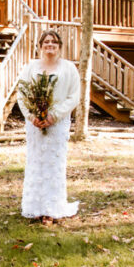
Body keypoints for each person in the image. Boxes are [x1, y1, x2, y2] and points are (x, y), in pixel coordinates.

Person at [17, 29, 81, 224]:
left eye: (54, 42)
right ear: (40, 46)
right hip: (35, 125)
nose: (50, 45)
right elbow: (22, 94)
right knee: (36, 163)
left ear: (59, 46)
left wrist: (54, 116)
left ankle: (52, 209)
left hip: (57, 123)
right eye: (46, 42)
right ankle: (35, 207)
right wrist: (31, 116)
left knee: (54, 164)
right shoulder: (31, 67)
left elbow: (73, 97)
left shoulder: (68, 68)